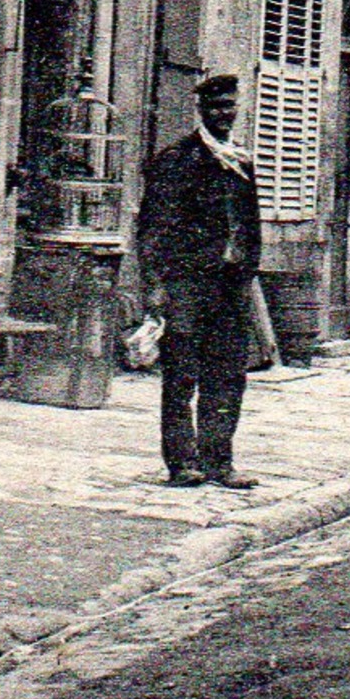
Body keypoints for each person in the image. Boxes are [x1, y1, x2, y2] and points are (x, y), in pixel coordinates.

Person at [138, 74, 262, 489]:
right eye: (216, 107)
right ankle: (182, 463)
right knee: (182, 375)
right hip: (188, 284)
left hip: (231, 285)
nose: (224, 114)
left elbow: (249, 225)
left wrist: (247, 270)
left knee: (227, 375)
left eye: (230, 106)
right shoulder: (177, 159)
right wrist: (156, 287)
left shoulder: (240, 162)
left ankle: (219, 462)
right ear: (201, 111)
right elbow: (153, 228)